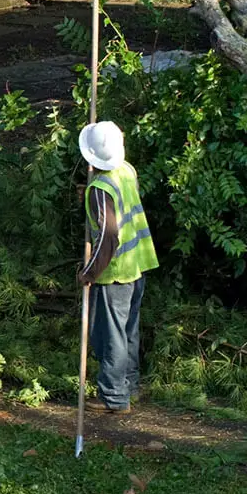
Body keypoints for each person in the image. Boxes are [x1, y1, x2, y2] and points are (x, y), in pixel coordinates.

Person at [77, 121, 159, 415]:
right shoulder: (126, 170)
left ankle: (114, 396)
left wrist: (90, 272)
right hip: (138, 263)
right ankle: (130, 386)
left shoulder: (100, 189)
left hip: (116, 272)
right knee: (128, 330)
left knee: (111, 336)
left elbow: (109, 236)